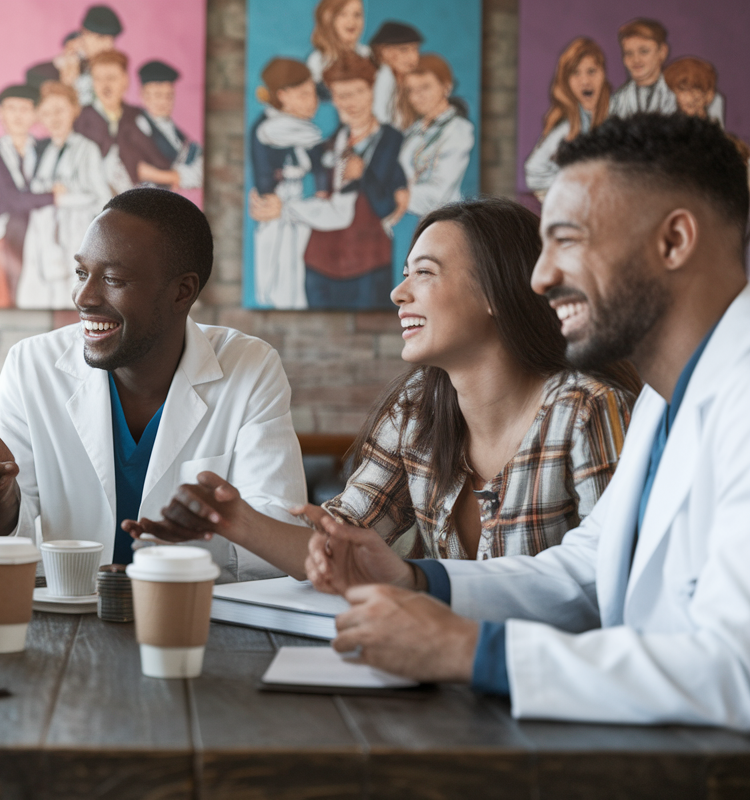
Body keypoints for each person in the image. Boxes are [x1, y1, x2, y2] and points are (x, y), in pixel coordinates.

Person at [303, 113, 750, 730]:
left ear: (673, 242)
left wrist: (466, 650)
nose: (540, 278)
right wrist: (416, 580)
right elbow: (584, 573)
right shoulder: (662, 400)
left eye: (568, 240)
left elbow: (738, 668)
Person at [129, 197, 635, 575]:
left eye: (424, 273)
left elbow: (608, 582)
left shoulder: (587, 409)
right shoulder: (418, 409)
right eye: (403, 274)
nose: (398, 292)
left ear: (496, 293)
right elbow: (338, 541)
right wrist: (233, 519)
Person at [0, 188, 308, 582]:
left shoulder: (250, 366)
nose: (84, 298)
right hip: (68, 615)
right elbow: (5, 548)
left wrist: (209, 530)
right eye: (82, 273)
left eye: (113, 279)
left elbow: (280, 541)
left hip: (189, 614)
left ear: (182, 291)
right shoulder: (31, 365)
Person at [247, 57, 359, 309]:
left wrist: (321, 190)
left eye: (314, 94)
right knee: (278, 269)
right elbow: (319, 146)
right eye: (305, 94)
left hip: (298, 207)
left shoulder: (301, 128)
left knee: (296, 265)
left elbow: (321, 162)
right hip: (277, 209)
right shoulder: (273, 126)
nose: (314, 101)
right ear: (283, 95)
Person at [305, 50, 408, 309]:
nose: (350, 102)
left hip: (369, 266)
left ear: (372, 91)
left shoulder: (392, 142)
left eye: (357, 93)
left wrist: (364, 176)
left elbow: (387, 208)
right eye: (341, 95)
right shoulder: (324, 147)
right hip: (318, 265)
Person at [17, 81, 112, 310]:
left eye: (59, 110)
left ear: (74, 110)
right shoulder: (41, 152)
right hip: (42, 234)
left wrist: (64, 198)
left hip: (74, 233)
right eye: (47, 113)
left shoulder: (86, 149)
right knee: (40, 292)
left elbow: (102, 199)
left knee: (72, 296)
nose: (54, 118)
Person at [0, 84, 52, 305]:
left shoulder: (45, 147)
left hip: (43, 220)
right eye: (11, 109)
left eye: (24, 109)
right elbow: (12, 197)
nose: (17, 116)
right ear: (1, 114)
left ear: (35, 113)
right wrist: (53, 197)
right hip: (12, 221)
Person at [74, 50, 176, 193]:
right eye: (98, 79)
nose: (105, 86)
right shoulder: (80, 119)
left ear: (124, 80)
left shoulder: (138, 116)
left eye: (111, 78)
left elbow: (162, 161)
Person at [524, 37, 611, 202]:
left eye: (591, 71)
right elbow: (533, 170)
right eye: (575, 73)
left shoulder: (619, 115)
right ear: (566, 81)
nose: (585, 81)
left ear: (603, 74)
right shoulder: (568, 128)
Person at [398, 54, 475, 219]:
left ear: (446, 87)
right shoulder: (413, 130)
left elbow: (438, 195)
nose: (417, 97)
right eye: (411, 90)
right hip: (412, 221)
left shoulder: (458, 130)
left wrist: (394, 195)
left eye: (425, 87)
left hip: (444, 222)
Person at [134, 60, 203, 191]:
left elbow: (199, 172)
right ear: (143, 95)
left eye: (169, 96)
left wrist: (171, 176)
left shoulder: (179, 135)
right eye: (158, 95)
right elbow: (136, 169)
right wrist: (177, 176)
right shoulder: (135, 127)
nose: (164, 102)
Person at [607, 19, 676, 118]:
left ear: (662, 52)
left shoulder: (676, 95)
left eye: (644, 51)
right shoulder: (616, 101)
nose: (636, 60)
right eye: (629, 53)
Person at [307, 0, 368, 100]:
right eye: (343, 14)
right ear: (328, 18)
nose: (351, 21)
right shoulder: (318, 61)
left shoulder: (369, 55)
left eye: (357, 15)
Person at [367, 21, 423, 129]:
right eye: (404, 50)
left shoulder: (401, 81)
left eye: (415, 49)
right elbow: (381, 120)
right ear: (385, 52)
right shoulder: (383, 76)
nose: (414, 58)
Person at [73, 5, 122, 106]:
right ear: (84, 34)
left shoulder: (114, 68)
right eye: (101, 37)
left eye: (112, 39)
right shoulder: (63, 66)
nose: (108, 46)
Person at [663, 56, 727, 127]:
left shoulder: (714, 127)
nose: (691, 97)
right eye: (683, 90)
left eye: (698, 90)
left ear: (709, 94)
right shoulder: (668, 126)